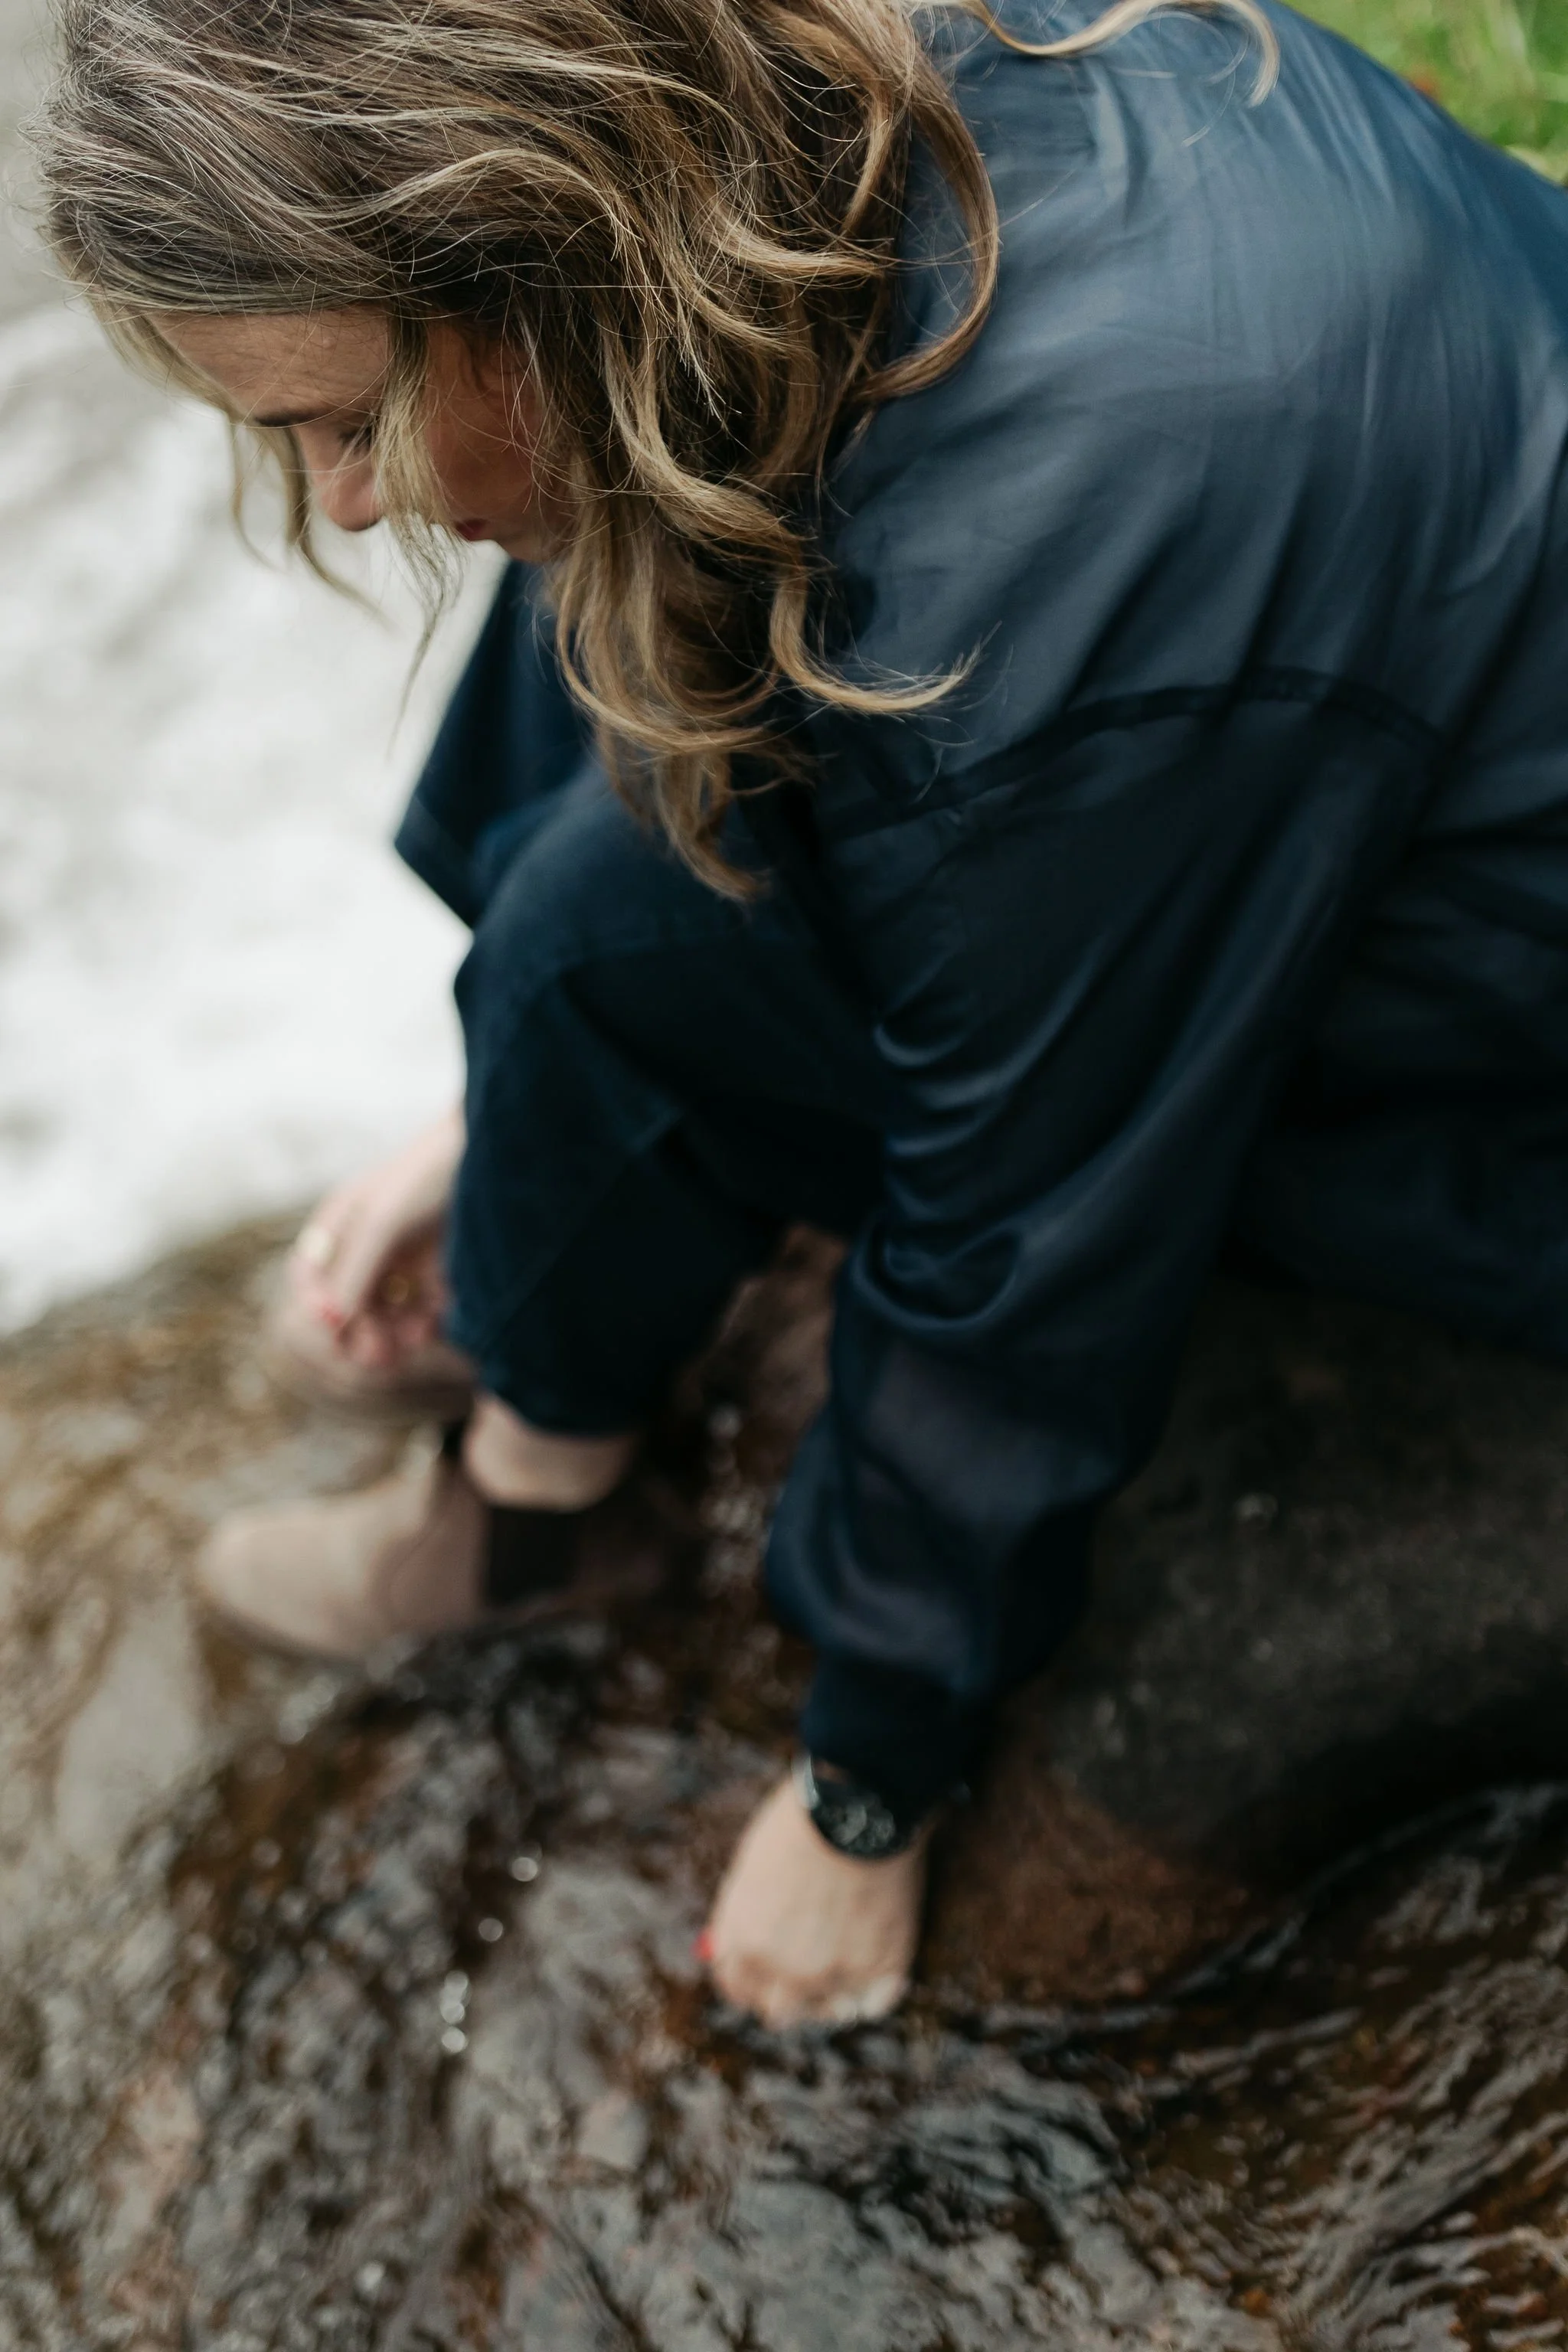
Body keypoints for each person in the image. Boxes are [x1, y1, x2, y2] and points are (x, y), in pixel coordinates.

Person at [37, 0, 1568, 2028]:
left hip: (1501, 1085)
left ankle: (536, 1503)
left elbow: (1026, 1232)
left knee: (604, 932)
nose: (340, 503)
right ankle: (540, 1331)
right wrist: (504, 1104)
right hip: (1309, 777)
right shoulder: (828, 96)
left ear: (526, 238)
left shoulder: (1078, 566)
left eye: (337, 418)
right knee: (584, 903)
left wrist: (867, 1777)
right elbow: (660, 536)